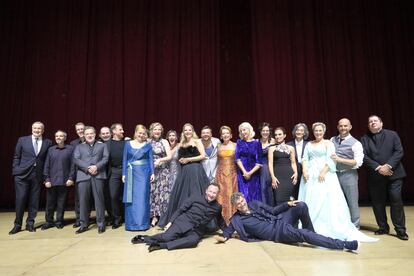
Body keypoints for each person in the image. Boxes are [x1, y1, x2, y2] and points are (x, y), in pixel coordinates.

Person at [298, 122, 377, 242]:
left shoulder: (329, 143)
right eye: (316, 131)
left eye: (320, 130)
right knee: (312, 199)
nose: (318, 133)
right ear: (313, 132)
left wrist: (323, 172)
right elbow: (304, 158)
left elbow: (332, 159)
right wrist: (304, 170)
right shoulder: (309, 144)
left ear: (324, 131)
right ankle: (310, 224)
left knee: (329, 201)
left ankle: (343, 225)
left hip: (325, 174)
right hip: (311, 175)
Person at [214, 193, 359, 252]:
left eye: (242, 200)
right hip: (277, 233)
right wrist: (223, 238)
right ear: (235, 206)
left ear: (244, 199)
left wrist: (287, 204)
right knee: (302, 233)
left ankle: (312, 235)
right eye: (238, 204)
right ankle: (344, 245)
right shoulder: (236, 219)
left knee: (300, 205)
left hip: (280, 221)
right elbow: (227, 232)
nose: (241, 204)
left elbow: (273, 211)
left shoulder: (254, 204)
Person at [131, 184, 226, 252]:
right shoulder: (195, 197)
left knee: (193, 241)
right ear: (206, 191)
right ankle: (144, 238)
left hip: (196, 231)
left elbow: (220, 221)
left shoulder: (217, 207)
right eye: (210, 191)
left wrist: (228, 233)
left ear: (217, 194)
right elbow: (180, 210)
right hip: (183, 223)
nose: (211, 194)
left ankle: (161, 246)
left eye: (214, 193)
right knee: (167, 237)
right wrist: (170, 222)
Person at [361, 115, 408, 240]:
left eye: (375, 121)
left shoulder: (393, 135)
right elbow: (364, 157)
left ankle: (400, 230)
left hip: (394, 174)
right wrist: (379, 168)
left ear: (381, 123)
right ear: (368, 125)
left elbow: (399, 151)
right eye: (370, 121)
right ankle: (382, 227)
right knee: (378, 203)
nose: (373, 123)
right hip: (375, 175)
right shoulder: (364, 139)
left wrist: (388, 166)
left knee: (396, 200)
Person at [158, 123, 209, 228]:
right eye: (185, 130)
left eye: (189, 130)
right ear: (183, 132)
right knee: (183, 195)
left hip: (195, 170)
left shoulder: (197, 141)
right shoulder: (180, 144)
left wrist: (188, 159)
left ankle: (197, 221)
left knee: (195, 193)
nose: (187, 132)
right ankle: (180, 221)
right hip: (184, 172)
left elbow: (203, 156)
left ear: (193, 131)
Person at [9, 121, 52, 234]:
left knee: (34, 201)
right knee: (20, 199)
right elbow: (16, 156)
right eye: (35, 128)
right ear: (32, 129)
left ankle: (30, 223)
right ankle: (17, 224)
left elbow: (48, 160)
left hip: (37, 175)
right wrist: (16, 171)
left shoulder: (48, 142)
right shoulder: (22, 140)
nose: (37, 130)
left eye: (39, 129)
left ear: (43, 130)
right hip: (22, 175)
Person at [73, 126, 109, 234]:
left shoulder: (102, 145)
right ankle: (83, 224)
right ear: (84, 135)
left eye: (91, 133)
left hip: (98, 175)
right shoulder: (79, 147)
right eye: (87, 134)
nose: (89, 135)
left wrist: (96, 167)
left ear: (95, 134)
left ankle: (101, 224)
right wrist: (88, 168)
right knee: (83, 202)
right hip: (83, 176)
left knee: (99, 201)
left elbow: (105, 158)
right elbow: (76, 159)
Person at [330, 118, 364, 229]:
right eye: (341, 126)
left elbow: (358, 162)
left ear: (350, 127)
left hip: (349, 174)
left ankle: (355, 227)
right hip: (334, 175)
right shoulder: (332, 140)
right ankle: (339, 225)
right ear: (337, 127)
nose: (343, 128)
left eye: (345, 126)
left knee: (352, 201)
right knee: (336, 201)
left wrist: (340, 160)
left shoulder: (356, 143)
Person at [122, 124, 155, 231]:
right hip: (131, 173)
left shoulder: (148, 145)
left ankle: (142, 224)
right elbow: (125, 159)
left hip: (144, 173)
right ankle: (131, 224)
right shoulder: (128, 144)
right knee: (130, 198)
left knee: (142, 198)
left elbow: (150, 160)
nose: (141, 135)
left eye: (143, 133)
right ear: (135, 133)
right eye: (139, 133)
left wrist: (152, 173)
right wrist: (123, 174)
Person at [42, 130, 75, 230]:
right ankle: (49, 221)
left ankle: (59, 221)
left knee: (61, 203)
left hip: (65, 181)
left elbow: (73, 165)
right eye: (57, 136)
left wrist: (71, 178)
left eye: (61, 136)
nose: (58, 138)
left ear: (65, 138)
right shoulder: (51, 149)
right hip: (51, 182)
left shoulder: (70, 149)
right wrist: (46, 179)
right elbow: (46, 165)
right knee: (50, 203)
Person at [149, 122, 172, 227]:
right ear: (151, 131)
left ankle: (164, 217)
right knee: (153, 193)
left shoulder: (164, 141)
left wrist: (160, 160)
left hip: (163, 171)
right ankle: (154, 216)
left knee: (163, 194)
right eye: (155, 129)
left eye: (159, 129)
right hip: (152, 171)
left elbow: (169, 156)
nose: (157, 131)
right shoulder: (148, 141)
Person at [268, 127, 298, 206]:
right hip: (278, 176)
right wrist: (273, 177)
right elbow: (270, 164)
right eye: (276, 135)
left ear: (284, 135)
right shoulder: (271, 148)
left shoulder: (291, 148)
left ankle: (291, 217)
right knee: (279, 199)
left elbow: (293, 163)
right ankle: (280, 218)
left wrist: (296, 173)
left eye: (280, 134)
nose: (277, 136)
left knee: (291, 199)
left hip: (289, 176)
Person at [215, 126, 238, 224]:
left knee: (231, 196)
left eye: (227, 133)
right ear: (221, 136)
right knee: (220, 196)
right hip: (220, 175)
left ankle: (232, 220)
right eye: (223, 133)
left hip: (232, 175)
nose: (225, 135)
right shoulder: (218, 146)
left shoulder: (236, 145)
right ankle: (221, 221)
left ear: (231, 135)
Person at [105, 123, 126, 229]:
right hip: (113, 171)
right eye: (120, 130)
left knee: (125, 196)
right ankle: (116, 219)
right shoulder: (107, 144)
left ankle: (125, 217)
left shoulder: (127, 142)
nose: (123, 131)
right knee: (113, 196)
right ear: (114, 131)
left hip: (127, 171)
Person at [235, 122, 262, 203]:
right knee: (243, 195)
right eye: (241, 131)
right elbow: (237, 159)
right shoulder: (239, 142)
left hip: (254, 173)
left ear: (250, 130)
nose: (243, 132)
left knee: (254, 195)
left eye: (244, 130)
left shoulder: (257, 143)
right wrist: (245, 172)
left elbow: (259, 162)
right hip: (242, 173)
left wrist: (250, 173)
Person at [70, 122, 86, 228]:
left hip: (92, 173)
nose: (80, 131)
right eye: (78, 129)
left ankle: (87, 218)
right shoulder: (73, 144)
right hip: (79, 174)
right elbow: (73, 161)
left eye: (82, 129)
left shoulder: (94, 141)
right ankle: (79, 219)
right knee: (79, 199)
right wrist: (71, 176)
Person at [287, 123, 309, 200]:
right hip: (293, 172)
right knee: (293, 193)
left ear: (304, 133)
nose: (299, 132)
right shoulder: (288, 145)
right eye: (297, 130)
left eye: (301, 130)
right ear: (294, 132)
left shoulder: (309, 144)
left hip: (306, 171)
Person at [258, 122, 275, 206]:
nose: (265, 132)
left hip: (267, 168)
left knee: (266, 189)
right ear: (260, 132)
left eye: (267, 130)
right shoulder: (256, 142)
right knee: (258, 189)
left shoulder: (273, 142)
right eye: (263, 130)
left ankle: (269, 209)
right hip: (256, 169)